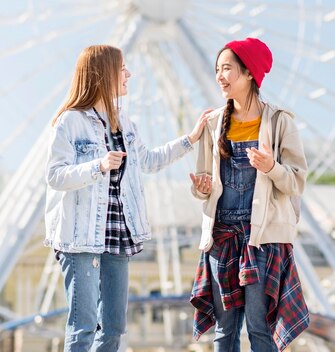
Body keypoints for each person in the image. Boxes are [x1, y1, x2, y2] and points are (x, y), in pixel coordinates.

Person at [44, 44, 210, 351]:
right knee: (82, 326)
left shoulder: (124, 123)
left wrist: (191, 139)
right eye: (122, 69)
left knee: (114, 328)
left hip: (118, 235)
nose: (128, 74)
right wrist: (98, 165)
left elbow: (148, 161)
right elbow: (55, 176)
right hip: (80, 239)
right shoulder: (70, 122)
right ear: (103, 73)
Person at [189, 37, 309, 351]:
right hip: (222, 237)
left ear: (249, 73)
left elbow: (296, 182)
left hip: (263, 238)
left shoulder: (280, 122)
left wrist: (271, 167)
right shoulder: (213, 123)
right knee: (224, 332)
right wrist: (200, 188)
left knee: (259, 329)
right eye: (217, 69)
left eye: (227, 68)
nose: (219, 76)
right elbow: (203, 183)